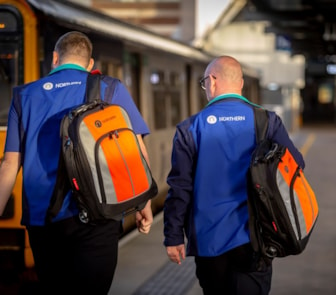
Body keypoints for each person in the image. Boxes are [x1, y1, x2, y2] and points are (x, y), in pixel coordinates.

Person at [0, 31, 153, 294]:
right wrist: (144, 203)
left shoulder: (23, 96)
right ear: (90, 63)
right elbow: (135, 151)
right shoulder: (110, 88)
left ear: (55, 58)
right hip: (99, 213)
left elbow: (9, 165)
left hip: (43, 220)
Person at [163, 55, 305, 295]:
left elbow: (180, 188)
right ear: (240, 84)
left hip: (208, 241)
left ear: (213, 81)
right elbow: (296, 166)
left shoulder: (190, 128)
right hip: (256, 238)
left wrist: (173, 236)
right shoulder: (266, 121)